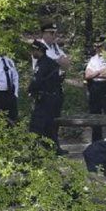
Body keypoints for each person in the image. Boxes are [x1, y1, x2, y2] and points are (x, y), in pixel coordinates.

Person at [35, 22, 71, 154]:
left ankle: (55, 146)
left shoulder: (55, 47)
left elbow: (66, 63)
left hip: (56, 86)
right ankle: (45, 148)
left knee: (55, 118)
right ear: (44, 33)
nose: (54, 36)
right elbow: (52, 63)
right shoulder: (39, 46)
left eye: (55, 33)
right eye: (51, 33)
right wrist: (59, 61)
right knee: (45, 119)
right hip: (45, 86)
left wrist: (59, 61)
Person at [28, 40, 64, 152]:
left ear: (39, 51)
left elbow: (37, 81)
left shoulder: (42, 64)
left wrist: (30, 90)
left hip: (46, 99)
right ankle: (54, 148)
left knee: (37, 124)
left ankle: (35, 149)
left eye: (34, 50)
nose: (32, 53)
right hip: (55, 97)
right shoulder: (52, 63)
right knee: (51, 125)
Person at [84, 36, 106, 141]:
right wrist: (99, 72)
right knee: (95, 114)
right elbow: (87, 75)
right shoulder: (93, 59)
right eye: (96, 46)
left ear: (104, 46)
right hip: (95, 88)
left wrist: (94, 73)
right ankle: (96, 140)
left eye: (100, 46)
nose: (97, 48)